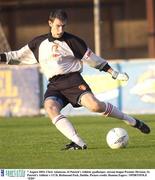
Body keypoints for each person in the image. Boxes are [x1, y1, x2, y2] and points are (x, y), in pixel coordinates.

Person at [0, 9, 150, 150]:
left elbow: (94, 60)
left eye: (63, 26)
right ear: (50, 23)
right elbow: (15, 56)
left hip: (73, 81)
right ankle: (78, 142)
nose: (60, 30)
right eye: (58, 26)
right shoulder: (38, 43)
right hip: (54, 84)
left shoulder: (73, 42)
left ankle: (130, 120)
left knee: (95, 106)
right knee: (50, 108)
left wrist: (114, 73)